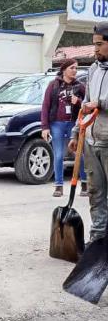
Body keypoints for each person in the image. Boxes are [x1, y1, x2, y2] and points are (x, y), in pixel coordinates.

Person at [69, 22, 108, 242]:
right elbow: (85, 105)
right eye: (94, 45)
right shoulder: (93, 69)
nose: (95, 50)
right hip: (92, 142)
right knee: (96, 194)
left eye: (100, 45)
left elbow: (94, 103)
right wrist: (76, 133)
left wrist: (100, 103)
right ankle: (97, 242)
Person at [40, 58, 86, 198]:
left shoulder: (80, 86)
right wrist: (45, 127)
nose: (74, 71)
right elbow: (45, 106)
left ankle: (84, 183)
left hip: (74, 123)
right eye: (72, 68)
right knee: (59, 155)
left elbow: (88, 104)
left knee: (80, 154)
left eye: (76, 68)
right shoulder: (53, 85)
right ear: (64, 69)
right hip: (57, 124)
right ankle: (58, 186)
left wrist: (78, 101)